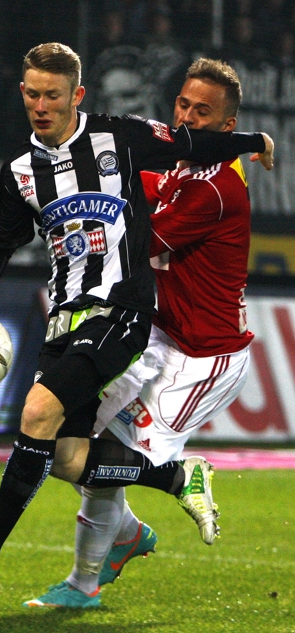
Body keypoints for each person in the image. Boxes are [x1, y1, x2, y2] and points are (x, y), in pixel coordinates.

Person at [0, 43, 274, 588]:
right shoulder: (20, 171)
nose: (42, 104)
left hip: (154, 327)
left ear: (76, 95)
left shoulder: (148, 152)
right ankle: (170, 486)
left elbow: (181, 159)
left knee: (38, 415)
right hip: (80, 320)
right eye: (33, 94)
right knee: (68, 457)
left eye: (53, 95)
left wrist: (255, 141)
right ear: (22, 94)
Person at [24, 57, 259, 609]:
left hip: (203, 358)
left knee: (106, 455)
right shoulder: (179, 169)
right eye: (183, 105)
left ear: (226, 128)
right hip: (157, 336)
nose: (188, 118)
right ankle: (126, 534)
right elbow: (129, 177)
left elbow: (137, 240)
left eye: (204, 112)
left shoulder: (216, 188)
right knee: (71, 448)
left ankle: (84, 585)